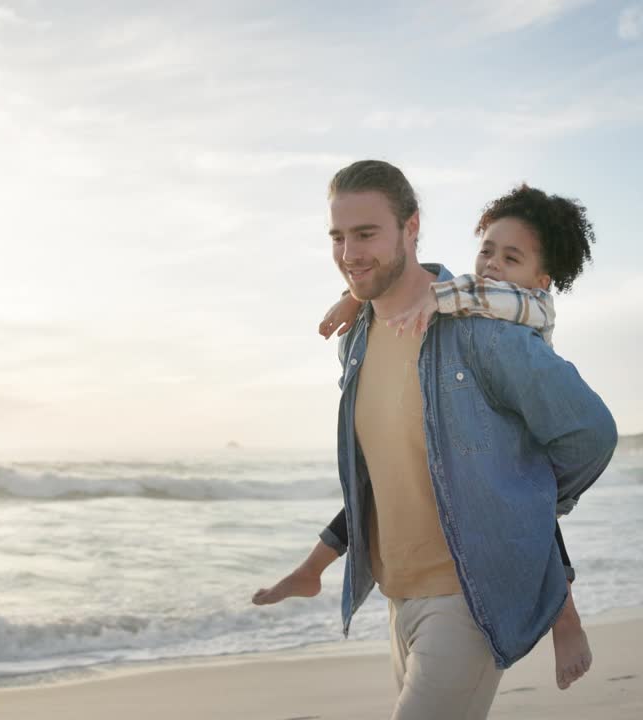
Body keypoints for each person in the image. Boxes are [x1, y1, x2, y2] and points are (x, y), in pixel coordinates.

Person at [254, 160, 616, 719]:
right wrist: (316, 563)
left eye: (367, 233)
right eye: (338, 236)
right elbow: (384, 476)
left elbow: (591, 435)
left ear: (411, 227)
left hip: (468, 598)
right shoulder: (357, 342)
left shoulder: (485, 332)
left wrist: (511, 505)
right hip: (397, 598)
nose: (349, 252)